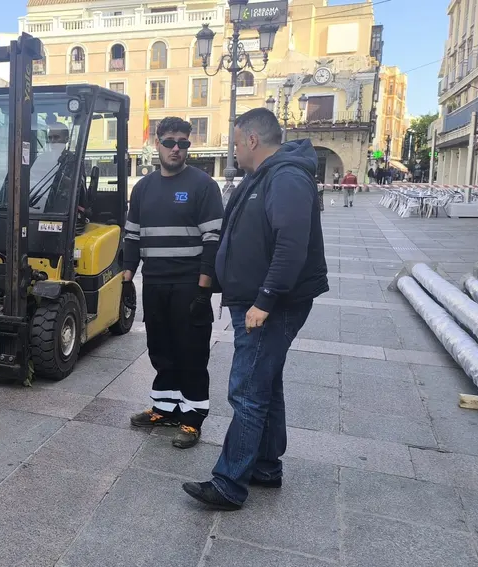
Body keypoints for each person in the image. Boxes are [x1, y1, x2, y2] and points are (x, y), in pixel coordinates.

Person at [182, 108, 328, 510]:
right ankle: (265, 465)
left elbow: (291, 244)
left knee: (246, 390)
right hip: (257, 300)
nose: (233, 151)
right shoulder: (263, 176)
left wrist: (265, 298)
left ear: (251, 139)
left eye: (235, 143)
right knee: (266, 384)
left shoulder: (286, 177)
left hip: (271, 305)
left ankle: (229, 483)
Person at [124, 117, 224, 449]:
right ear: (157, 144)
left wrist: (203, 289)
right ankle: (165, 408)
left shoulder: (203, 185)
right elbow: (132, 237)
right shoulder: (143, 188)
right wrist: (127, 280)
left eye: (183, 143)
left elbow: (212, 240)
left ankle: (192, 419)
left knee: (191, 352)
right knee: (161, 349)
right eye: (169, 142)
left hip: (188, 285)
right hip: (154, 283)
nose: (176, 149)